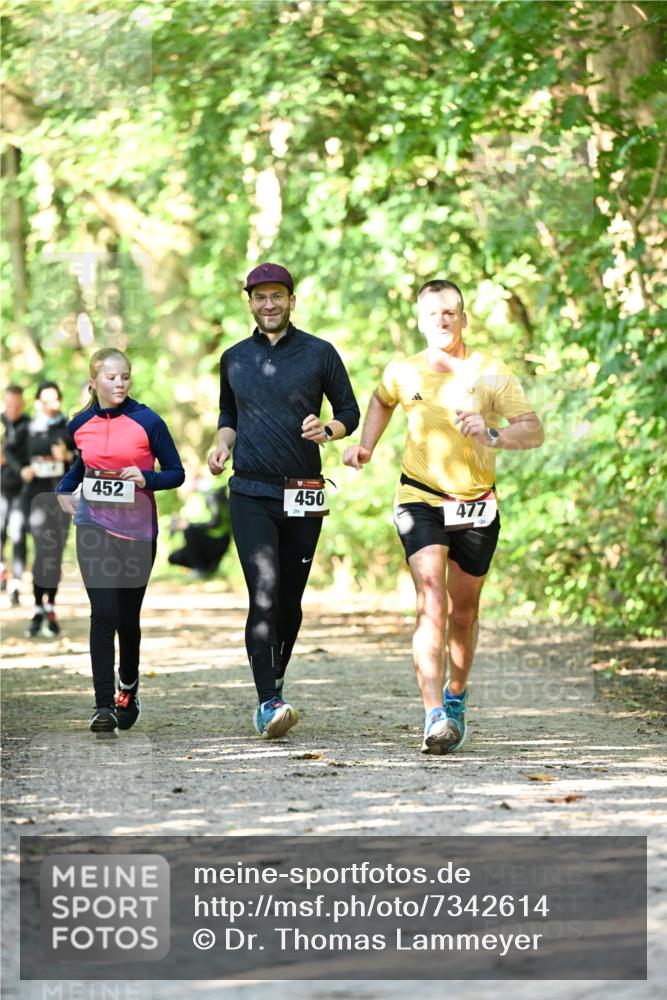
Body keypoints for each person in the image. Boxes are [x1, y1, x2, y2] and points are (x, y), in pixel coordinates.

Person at [343, 278, 544, 755]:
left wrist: (492, 434)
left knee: (465, 610)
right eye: (432, 314)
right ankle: (433, 714)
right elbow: (380, 399)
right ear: (419, 320)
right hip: (420, 497)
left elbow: (532, 431)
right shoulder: (402, 371)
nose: (441, 320)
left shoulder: (490, 373)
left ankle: (456, 693)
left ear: (463, 318)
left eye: (449, 312)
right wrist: (367, 445)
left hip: (476, 503)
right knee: (431, 599)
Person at [208, 262, 360, 739]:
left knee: (290, 601)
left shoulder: (320, 353)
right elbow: (228, 414)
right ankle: (267, 701)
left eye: (277, 296)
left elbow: (349, 412)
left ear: (291, 301)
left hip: (304, 492)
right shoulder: (233, 357)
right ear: (249, 303)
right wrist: (220, 445)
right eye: (260, 297)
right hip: (250, 490)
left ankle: (273, 679)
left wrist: (328, 430)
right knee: (265, 591)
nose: (269, 304)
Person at [56, 348, 185, 735]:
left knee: (127, 619)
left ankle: (127, 687)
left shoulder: (148, 421)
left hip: (137, 531)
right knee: (104, 612)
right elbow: (78, 467)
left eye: (125, 376)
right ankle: (102, 705)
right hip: (93, 525)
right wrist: (64, 493)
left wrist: (149, 479)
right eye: (111, 378)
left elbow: (176, 472)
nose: (120, 383)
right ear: (93, 382)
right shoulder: (79, 423)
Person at [22, 381, 77, 638]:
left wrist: (68, 457)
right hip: (35, 498)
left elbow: (83, 459)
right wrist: (23, 469)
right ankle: (36, 607)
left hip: (61, 499)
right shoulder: (28, 428)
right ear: (36, 403)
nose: (50, 405)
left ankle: (50, 606)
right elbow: (9, 453)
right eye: (45, 400)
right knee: (42, 552)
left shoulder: (69, 428)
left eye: (54, 399)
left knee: (54, 554)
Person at [1, 386, 30, 606]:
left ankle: (16, 584)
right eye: (9, 405)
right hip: (1, 487)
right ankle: (3, 571)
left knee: (18, 532)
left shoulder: (29, 425)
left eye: (17, 406)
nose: (13, 409)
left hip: (21, 488)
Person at [168, 479, 231, 577]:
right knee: (173, 557)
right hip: (202, 541)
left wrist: (189, 525)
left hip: (217, 540)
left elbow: (215, 521)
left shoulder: (208, 496)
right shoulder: (191, 501)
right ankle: (206, 569)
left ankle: (201, 569)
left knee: (190, 531)